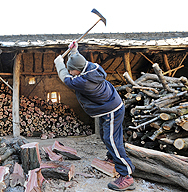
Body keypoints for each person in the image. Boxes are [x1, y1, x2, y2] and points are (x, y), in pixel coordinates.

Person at [54, 42, 135, 191]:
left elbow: (66, 78)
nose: (71, 73)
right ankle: (112, 159)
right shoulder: (91, 67)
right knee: (106, 136)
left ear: (77, 71)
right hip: (109, 106)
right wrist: (74, 51)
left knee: (112, 139)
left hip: (112, 110)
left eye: (72, 71)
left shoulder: (85, 82)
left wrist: (59, 64)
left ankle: (126, 175)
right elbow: (78, 61)